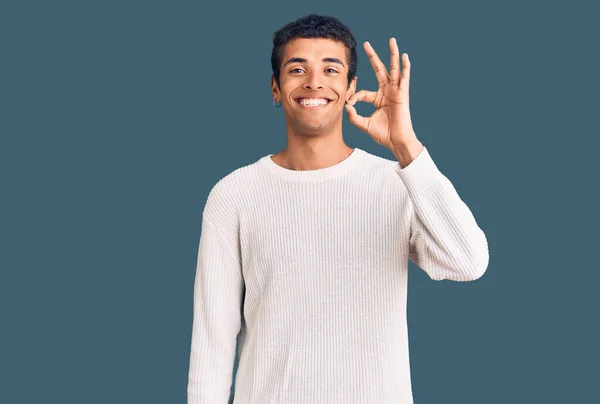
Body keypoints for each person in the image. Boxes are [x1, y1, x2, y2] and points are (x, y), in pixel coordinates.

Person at [187, 13, 489, 404]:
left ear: (350, 89)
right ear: (275, 88)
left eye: (331, 69)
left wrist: (406, 147)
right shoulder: (234, 195)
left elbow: (468, 262)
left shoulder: (397, 183)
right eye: (297, 69)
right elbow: (212, 341)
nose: (314, 81)